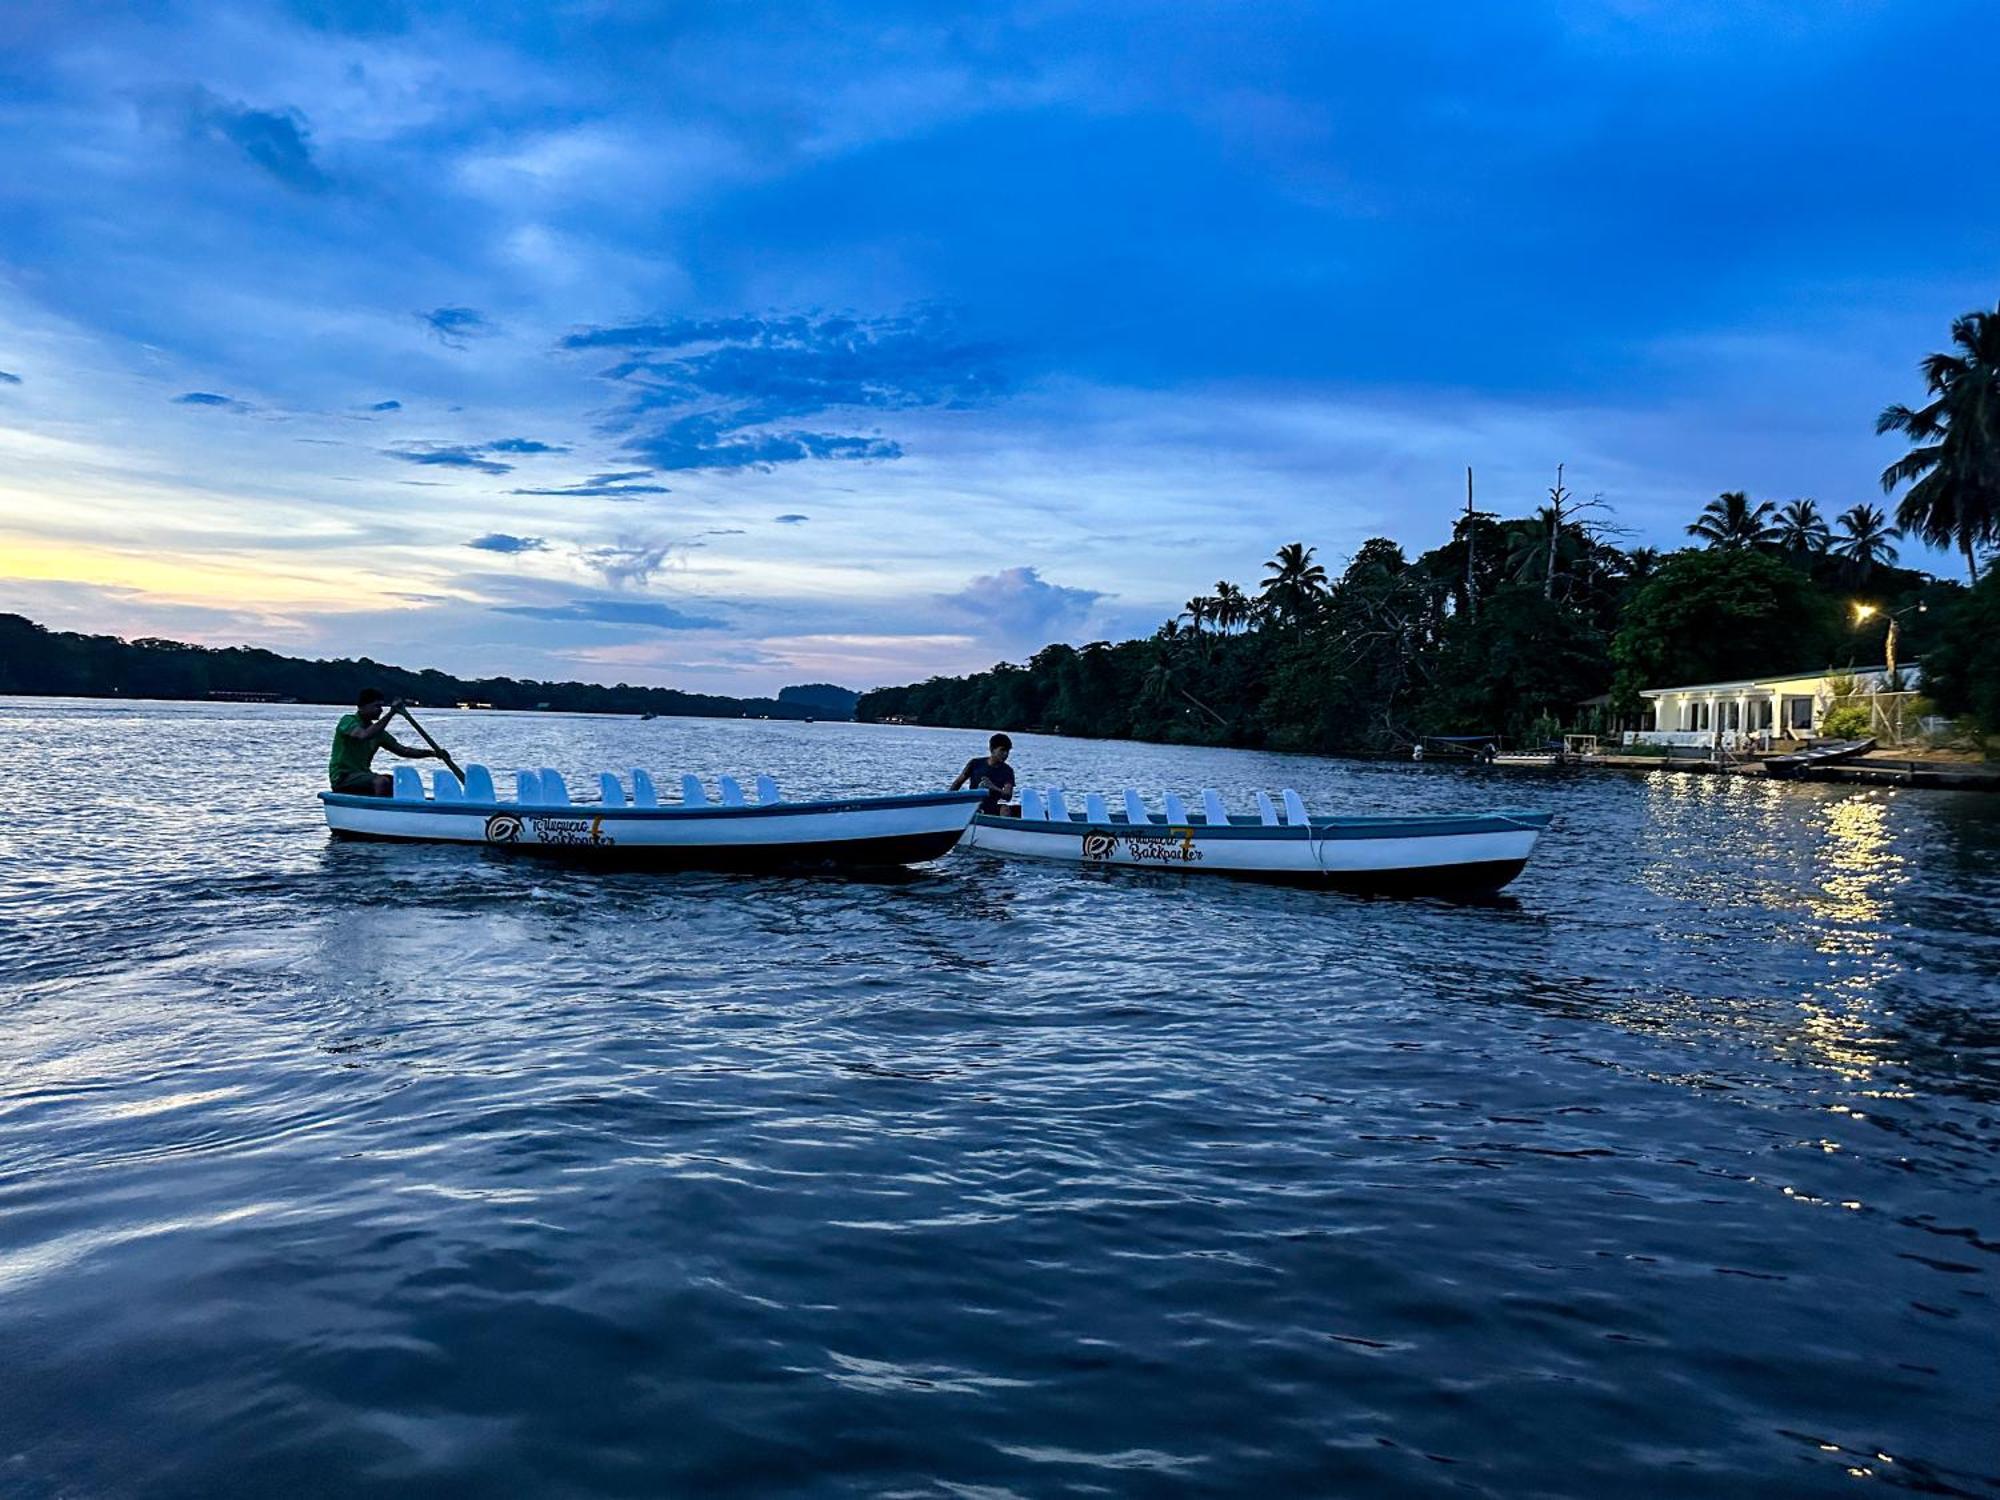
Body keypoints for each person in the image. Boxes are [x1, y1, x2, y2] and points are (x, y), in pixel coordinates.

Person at [328, 688, 438, 795]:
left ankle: (399, 809)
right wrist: (391, 713)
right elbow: (363, 735)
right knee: (381, 781)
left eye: (381, 706)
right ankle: (377, 810)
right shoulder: (348, 720)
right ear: (362, 706)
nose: (380, 710)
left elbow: (403, 751)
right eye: (377, 706)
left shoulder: (379, 733)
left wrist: (433, 753)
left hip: (363, 775)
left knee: (398, 783)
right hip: (342, 777)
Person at [950, 732, 1017, 813]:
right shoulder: (975, 763)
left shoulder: (1008, 771)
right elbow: (957, 783)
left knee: (1005, 808)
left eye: (1007, 751)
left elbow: (1008, 795)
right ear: (992, 749)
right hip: (973, 806)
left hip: (991, 807)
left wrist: (992, 787)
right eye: (1002, 750)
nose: (1005, 754)